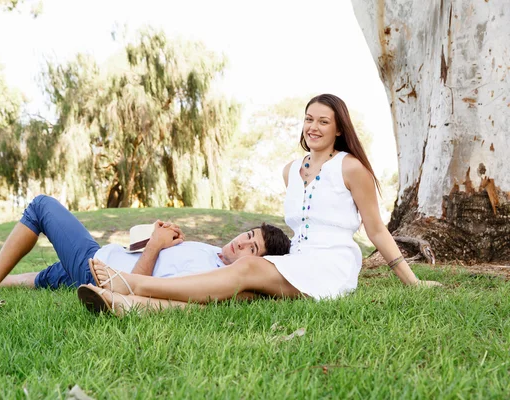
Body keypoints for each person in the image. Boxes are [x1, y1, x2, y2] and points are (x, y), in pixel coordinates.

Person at [78, 93, 442, 316]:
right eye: (309, 119)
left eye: (323, 121)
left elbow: (376, 230)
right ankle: (135, 307)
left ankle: (136, 285)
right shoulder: (290, 171)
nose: (313, 127)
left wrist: (412, 282)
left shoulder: (351, 168)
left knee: (248, 269)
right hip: (296, 259)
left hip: (331, 264)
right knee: (244, 293)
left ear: (339, 129)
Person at [0, 195, 291, 298]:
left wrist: (157, 246)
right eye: (247, 235)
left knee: (41, 207)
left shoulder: (210, 274)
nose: (241, 242)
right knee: (47, 278)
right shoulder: (211, 253)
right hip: (104, 256)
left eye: (252, 248)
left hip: (98, 265)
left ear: (258, 265)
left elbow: (134, 287)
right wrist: (160, 236)